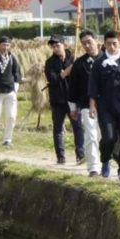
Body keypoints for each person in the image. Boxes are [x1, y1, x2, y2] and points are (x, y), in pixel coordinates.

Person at [89, 31, 120, 180]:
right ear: (104, 44)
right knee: (108, 138)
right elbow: (93, 86)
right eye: (108, 44)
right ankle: (105, 159)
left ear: (119, 43)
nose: (112, 47)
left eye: (114, 43)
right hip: (106, 107)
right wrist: (92, 105)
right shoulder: (99, 63)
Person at [44, 35, 83, 165]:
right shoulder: (50, 63)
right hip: (57, 100)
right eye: (53, 47)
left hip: (73, 99)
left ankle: (80, 154)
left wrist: (70, 71)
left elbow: (81, 78)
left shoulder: (74, 59)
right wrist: (64, 73)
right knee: (58, 129)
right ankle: (60, 156)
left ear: (64, 44)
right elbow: (52, 79)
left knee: (77, 127)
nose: (56, 48)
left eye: (58, 45)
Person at [69, 30, 101, 175]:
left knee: (103, 137)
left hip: (106, 106)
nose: (87, 46)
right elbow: (73, 87)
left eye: (89, 42)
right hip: (86, 105)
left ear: (96, 41)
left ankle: (105, 163)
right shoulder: (79, 64)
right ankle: (93, 167)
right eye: (84, 43)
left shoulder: (106, 59)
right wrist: (73, 108)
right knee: (91, 135)